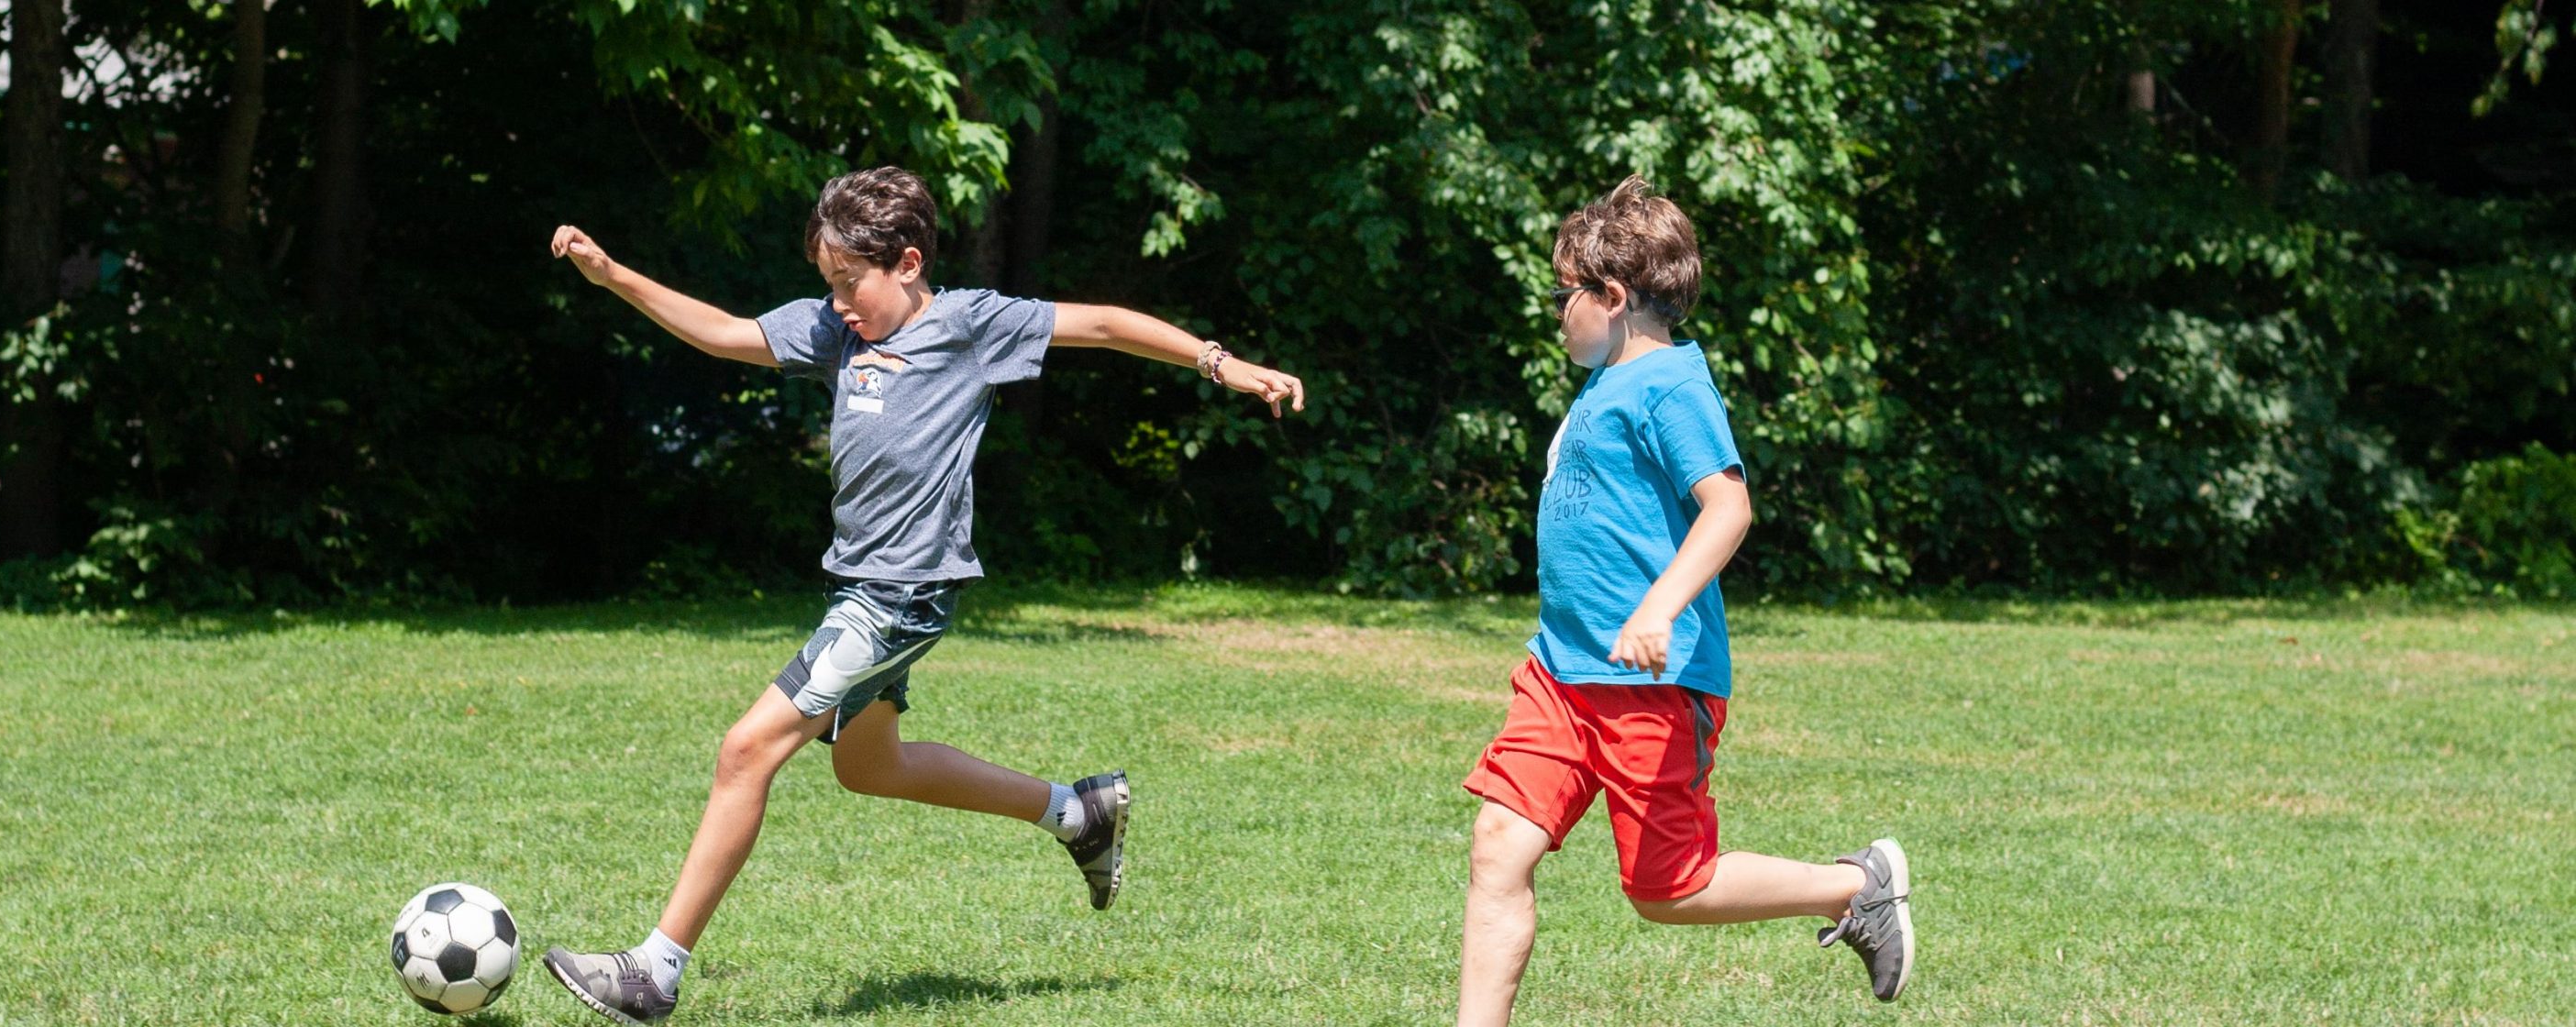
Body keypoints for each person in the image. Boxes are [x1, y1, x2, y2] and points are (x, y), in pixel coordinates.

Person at [536, 166, 1306, 1025]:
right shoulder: (838, 335)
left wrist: (1219, 363)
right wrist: (613, 277)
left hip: (899, 596)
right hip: (858, 587)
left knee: (746, 751)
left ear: (906, 263)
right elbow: (722, 333)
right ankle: (1078, 812)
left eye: (847, 283)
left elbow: (1104, 323)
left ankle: (655, 970)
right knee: (871, 768)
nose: (836, 304)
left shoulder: (971, 325)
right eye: (827, 286)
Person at [1454, 175, 1911, 1027]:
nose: (1557, 315)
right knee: (1497, 849)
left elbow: (1728, 506)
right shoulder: (1606, 383)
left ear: (1614, 296)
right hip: (1561, 674)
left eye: (1565, 297)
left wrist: (1659, 609)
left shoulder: (1671, 387)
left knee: (1669, 889)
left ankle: (1857, 886)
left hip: (1652, 688)